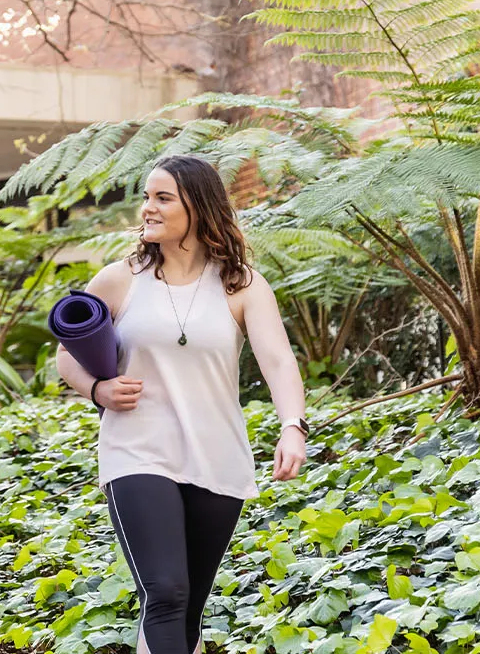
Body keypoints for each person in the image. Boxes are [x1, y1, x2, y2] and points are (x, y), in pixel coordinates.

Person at [56, 155, 309, 654]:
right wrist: (97, 390)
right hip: (137, 451)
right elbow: (67, 354)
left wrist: (292, 427)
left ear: (199, 206)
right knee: (166, 591)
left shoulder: (242, 284)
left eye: (163, 198)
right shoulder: (120, 279)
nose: (147, 208)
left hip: (217, 455)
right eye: (146, 197)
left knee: (189, 605)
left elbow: (279, 362)